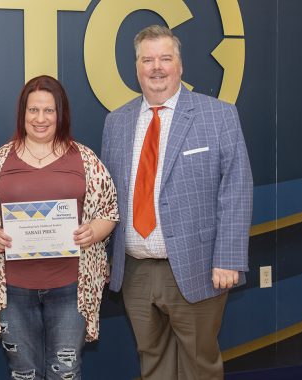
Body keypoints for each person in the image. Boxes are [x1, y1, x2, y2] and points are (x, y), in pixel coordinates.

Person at [101, 25, 253, 380]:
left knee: (199, 363)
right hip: (135, 270)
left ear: (180, 66)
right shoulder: (116, 122)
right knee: (152, 361)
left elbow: (237, 189)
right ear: (136, 68)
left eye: (165, 58)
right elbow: (107, 196)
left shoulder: (218, 115)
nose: (157, 67)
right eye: (147, 60)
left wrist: (228, 258)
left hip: (198, 267)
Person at [0, 75, 118, 380]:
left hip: (70, 287)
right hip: (13, 290)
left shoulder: (85, 160)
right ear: (23, 114)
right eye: (33, 110)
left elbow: (109, 211)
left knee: (66, 373)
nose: (40, 118)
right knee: (23, 373)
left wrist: (95, 231)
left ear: (61, 114)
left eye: (49, 110)